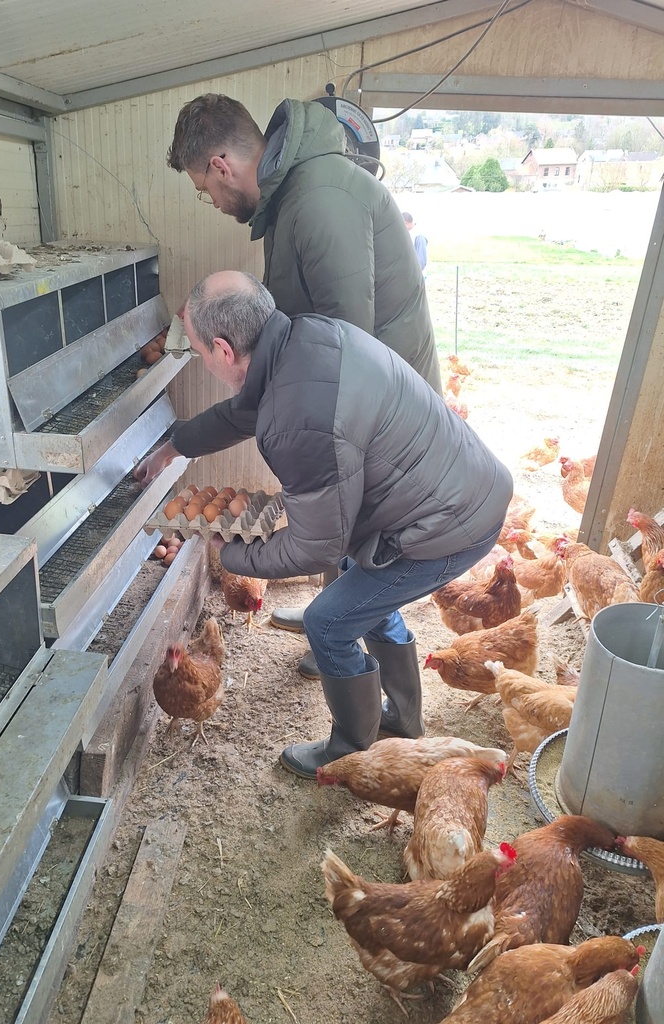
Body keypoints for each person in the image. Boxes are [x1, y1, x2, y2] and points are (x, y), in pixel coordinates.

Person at [134, 271, 512, 780]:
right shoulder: (300, 340)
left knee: (329, 621)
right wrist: (176, 444)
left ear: (224, 350)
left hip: (448, 526)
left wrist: (229, 556)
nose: (206, 362)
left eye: (201, 353)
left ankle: (353, 746)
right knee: (362, 596)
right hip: (459, 488)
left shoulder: (298, 419)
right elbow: (240, 412)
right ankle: (402, 717)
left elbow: (316, 549)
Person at [167, 92, 443, 679]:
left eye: (204, 189)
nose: (212, 202)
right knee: (347, 540)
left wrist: (284, 425)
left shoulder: (319, 200)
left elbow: (348, 352)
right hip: (365, 403)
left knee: (367, 550)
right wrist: (189, 436)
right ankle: (338, 617)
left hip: (383, 416)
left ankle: (344, 637)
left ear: (221, 165)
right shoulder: (293, 195)